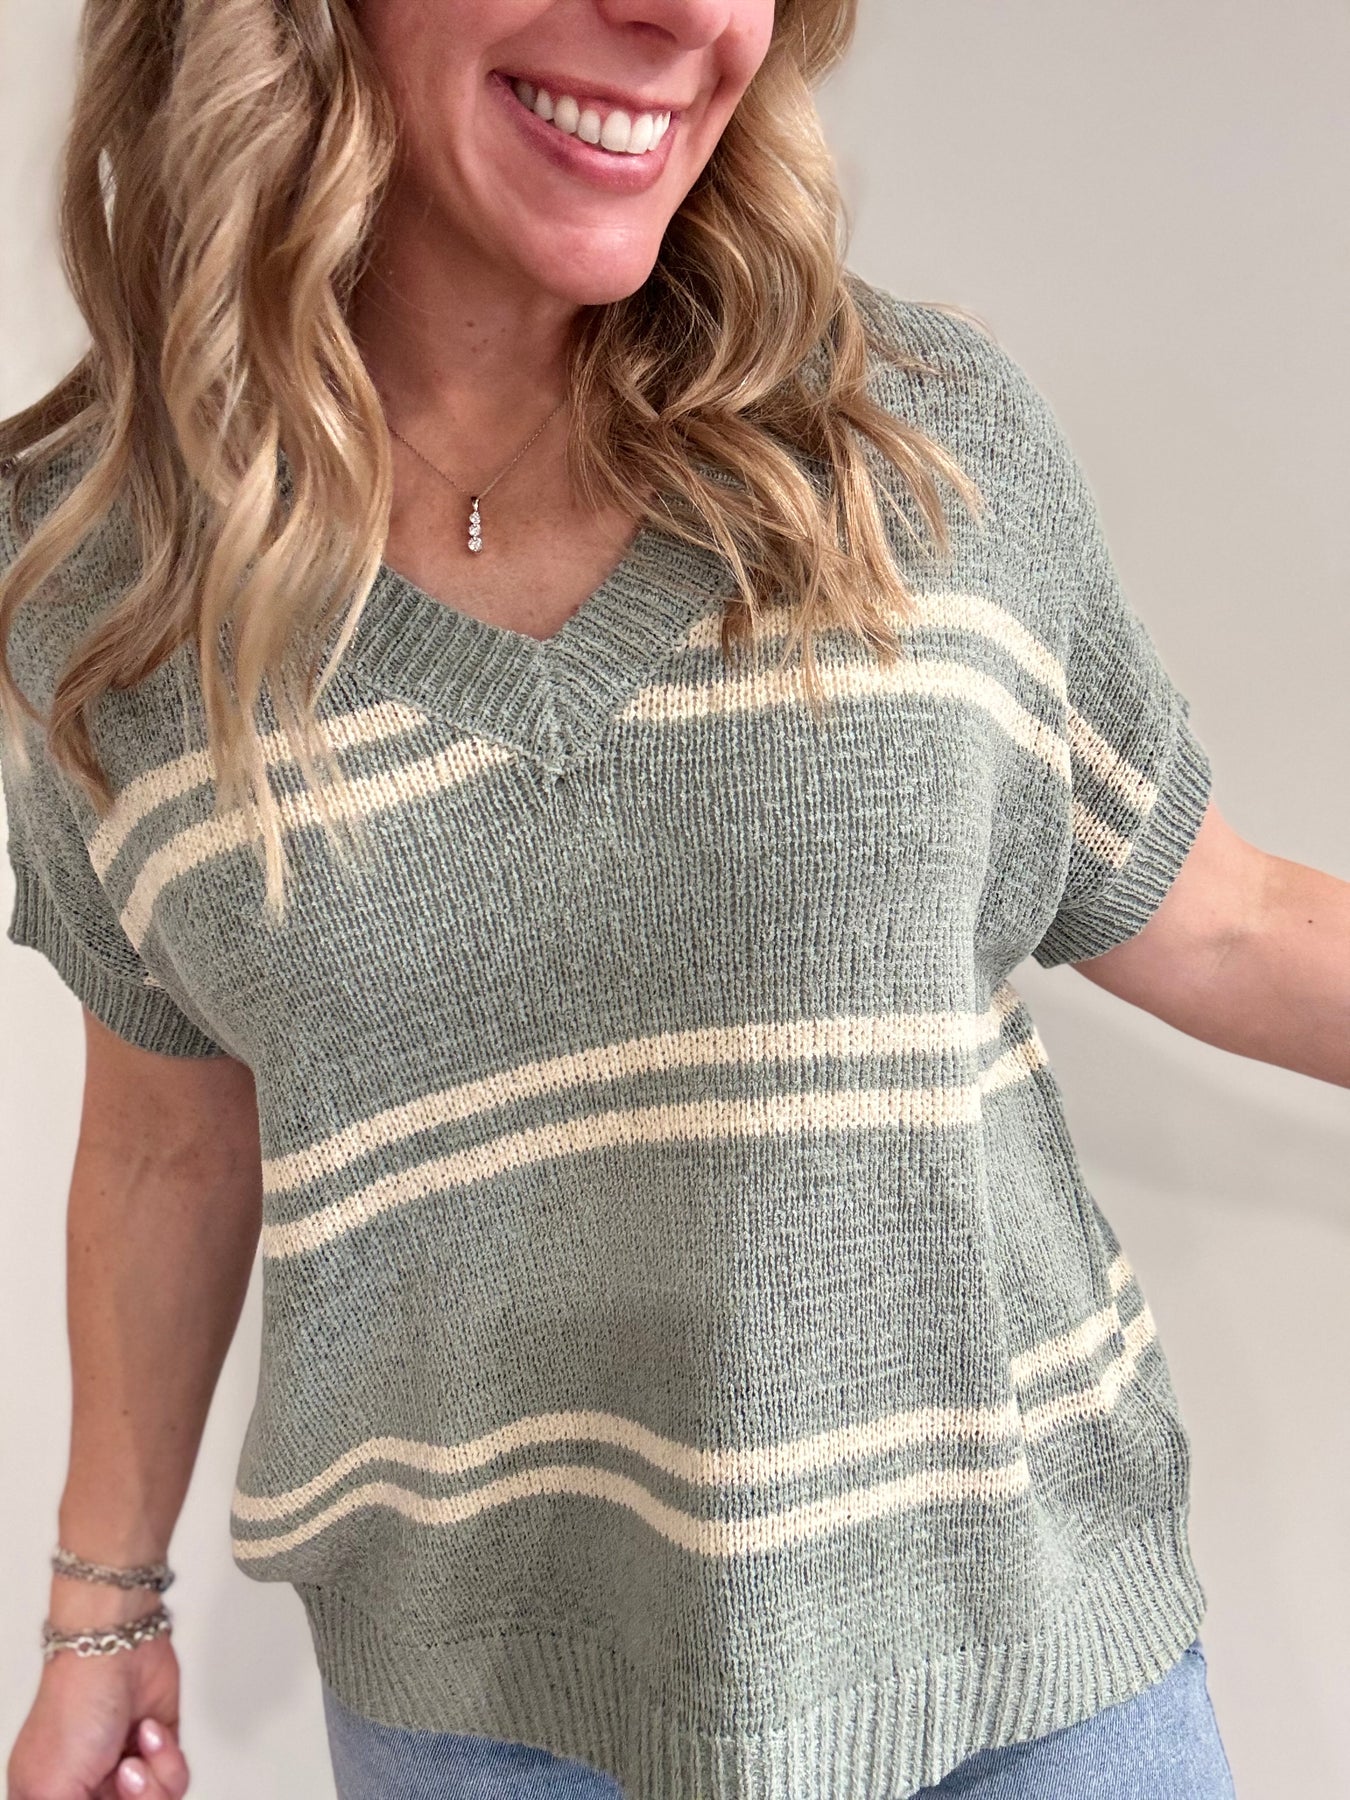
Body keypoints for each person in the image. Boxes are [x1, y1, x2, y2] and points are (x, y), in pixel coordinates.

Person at [1, 1, 1345, 1797]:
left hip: (1040, 1696)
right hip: (494, 1728)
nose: (687, 16)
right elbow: (168, 1138)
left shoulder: (912, 445)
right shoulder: (103, 584)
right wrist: (100, 1614)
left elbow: (1224, 919)